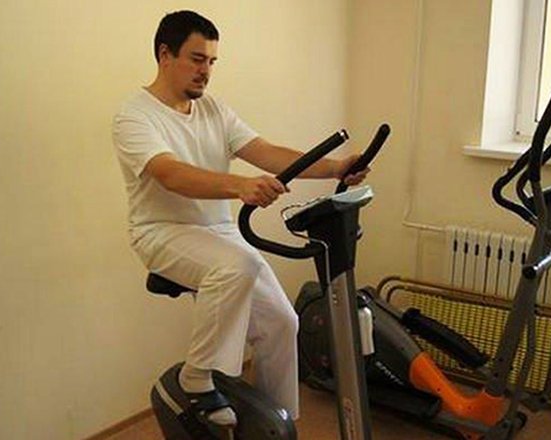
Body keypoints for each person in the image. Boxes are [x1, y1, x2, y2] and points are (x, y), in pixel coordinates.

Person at [112, 10, 369, 429]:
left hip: (219, 232)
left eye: (212, 61)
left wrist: (335, 167)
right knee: (239, 264)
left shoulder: (213, 110)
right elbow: (170, 174)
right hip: (162, 232)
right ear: (165, 54)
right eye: (197, 59)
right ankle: (197, 377)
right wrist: (239, 186)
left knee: (282, 323)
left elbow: (266, 152)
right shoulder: (135, 115)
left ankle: (277, 426)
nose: (206, 70)